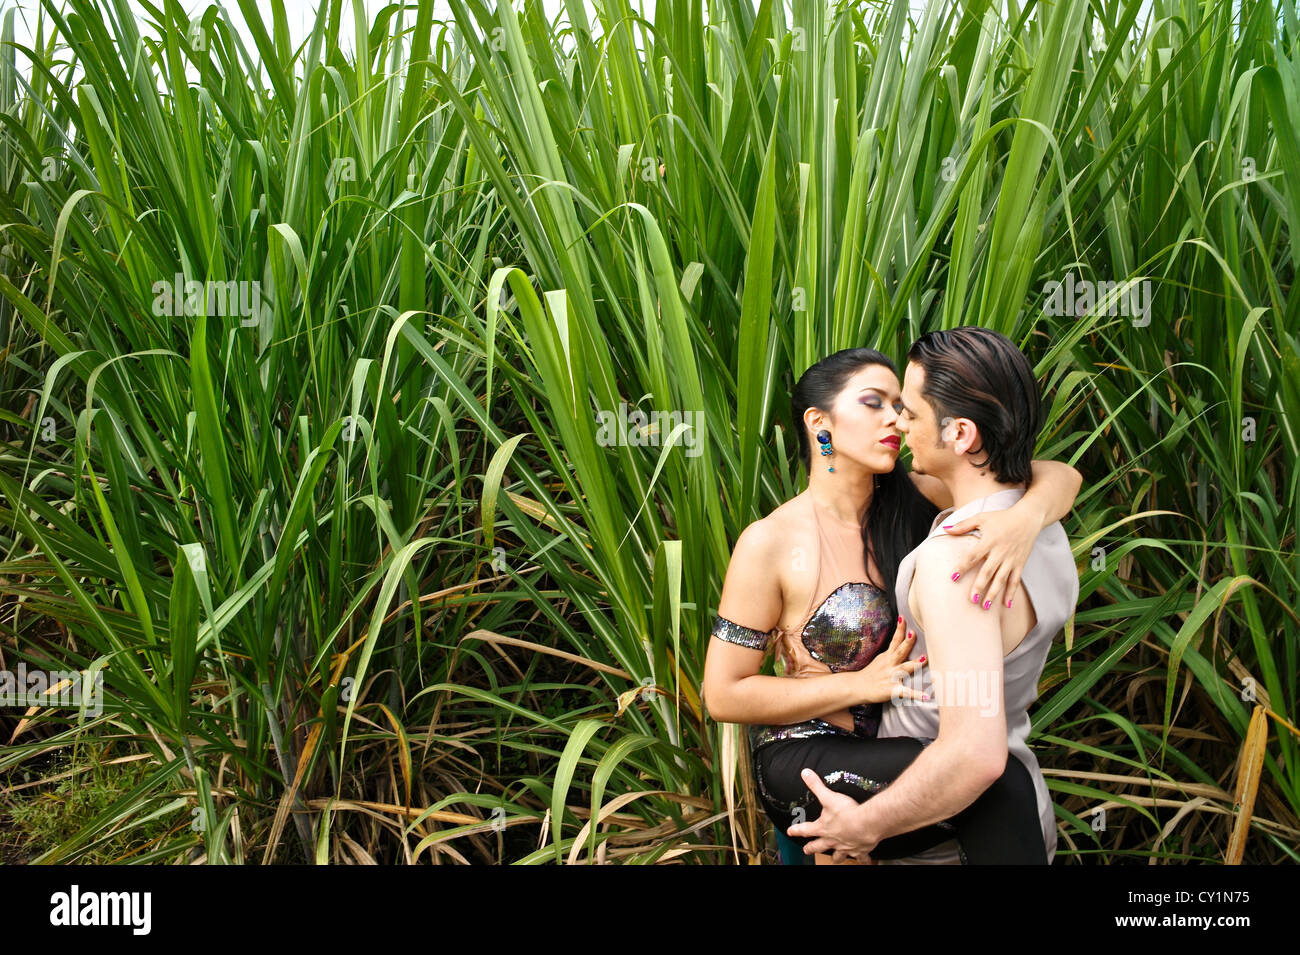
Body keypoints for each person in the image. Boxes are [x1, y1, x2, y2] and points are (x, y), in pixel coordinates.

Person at [701, 343, 1081, 864]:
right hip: (806, 755)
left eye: (902, 405)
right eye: (874, 403)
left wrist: (1026, 518)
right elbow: (723, 694)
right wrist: (857, 684)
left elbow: (1051, 475)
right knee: (996, 779)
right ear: (820, 423)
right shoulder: (769, 542)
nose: (896, 420)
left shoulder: (920, 497)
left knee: (986, 773)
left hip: (891, 747)